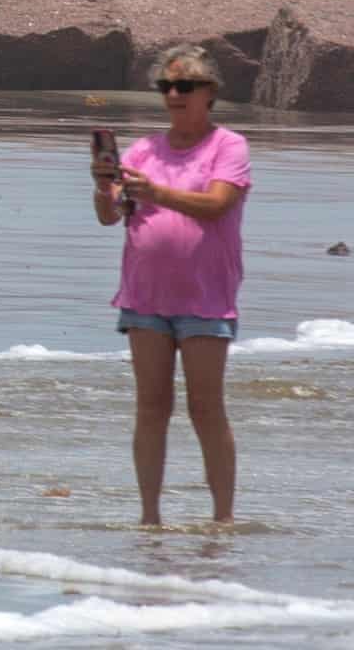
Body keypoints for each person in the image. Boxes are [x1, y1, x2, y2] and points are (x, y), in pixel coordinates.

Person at [97, 43, 250, 527]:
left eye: (185, 86)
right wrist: (105, 186)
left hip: (205, 298)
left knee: (206, 408)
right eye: (166, 87)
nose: (174, 95)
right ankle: (149, 518)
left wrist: (157, 192)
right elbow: (109, 215)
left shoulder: (228, 146)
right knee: (150, 407)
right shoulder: (144, 149)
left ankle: (223, 519)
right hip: (144, 297)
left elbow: (217, 205)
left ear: (210, 93)